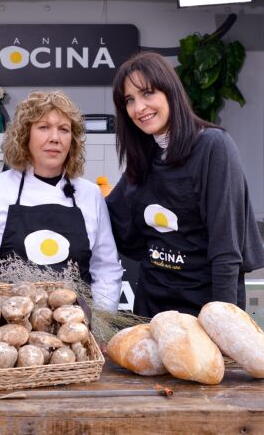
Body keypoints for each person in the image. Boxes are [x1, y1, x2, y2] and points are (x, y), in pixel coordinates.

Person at [106, 51, 264, 318]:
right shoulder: (145, 156)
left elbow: (226, 248)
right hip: (151, 307)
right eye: (129, 100)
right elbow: (111, 218)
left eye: (147, 93)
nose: (138, 108)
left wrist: (223, 322)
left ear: (170, 92)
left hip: (205, 307)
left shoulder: (213, 146)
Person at [0, 91, 123, 312]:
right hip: (7, 336)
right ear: (25, 135)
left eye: (64, 129)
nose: (55, 138)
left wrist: (100, 323)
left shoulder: (90, 195)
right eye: (43, 127)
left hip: (75, 334)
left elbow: (106, 269)